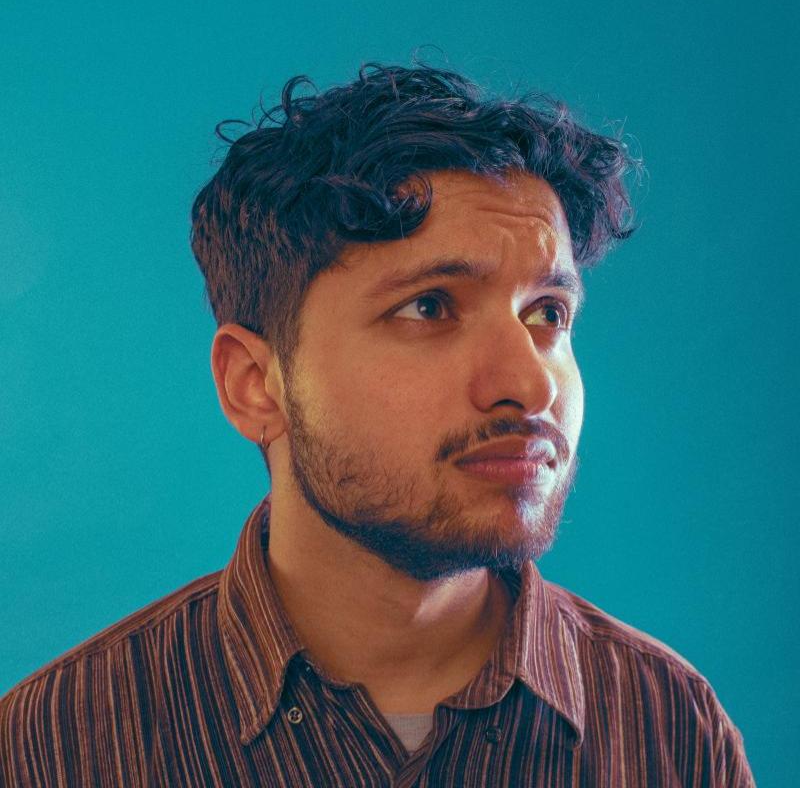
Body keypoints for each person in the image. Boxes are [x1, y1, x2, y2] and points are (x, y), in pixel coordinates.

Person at [0, 62, 756, 787]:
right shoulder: (54, 742)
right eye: (429, 306)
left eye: (547, 315)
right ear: (256, 384)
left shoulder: (670, 726)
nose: (528, 385)